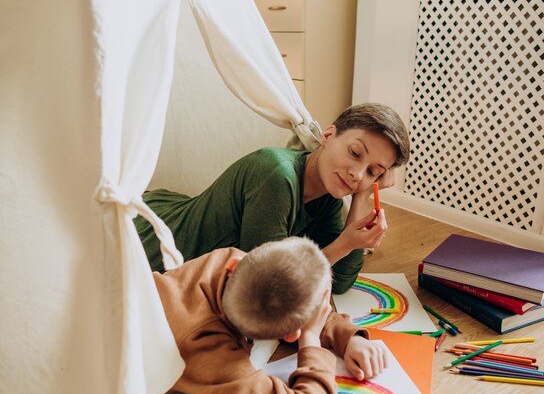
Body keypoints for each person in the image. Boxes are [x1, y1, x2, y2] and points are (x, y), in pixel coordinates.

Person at [135, 102, 410, 294]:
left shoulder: (329, 196)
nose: (356, 174)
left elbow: (340, 283)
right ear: (328, 135)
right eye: (354, 152)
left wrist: (362, 194)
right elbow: (267, 284)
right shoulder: (277, 175)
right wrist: (344, 244)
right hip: (150, 242)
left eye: (373, 171)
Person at [154, 237, 387, 394]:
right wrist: (310, 341)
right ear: (291, 335)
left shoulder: (230, 262)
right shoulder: (206, 349)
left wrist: (349, 337)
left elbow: (288, 294)